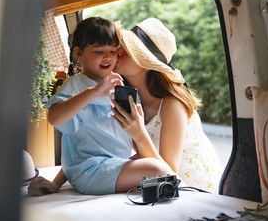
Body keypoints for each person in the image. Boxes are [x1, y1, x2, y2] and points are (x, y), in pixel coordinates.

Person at [28, 17, 172, 196]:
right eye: (98, 51)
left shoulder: (121, 88)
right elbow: (54, 118)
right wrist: (93, 92)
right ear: (79, 54)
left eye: (113, 51)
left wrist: (56, 184)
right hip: (90, 171)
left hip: (112, 165)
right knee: (158, 169)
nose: (108, 57)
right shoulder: (77, 84)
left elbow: (85, 145)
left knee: (158, 165)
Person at [111, 18, 223, 193]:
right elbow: (144, 157)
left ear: (145, 64)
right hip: (162, 187)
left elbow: (169, 173)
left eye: (126, 49)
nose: (117, 52)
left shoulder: (172, 104)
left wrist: (139, 135)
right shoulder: (131, 100)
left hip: (195, 190)